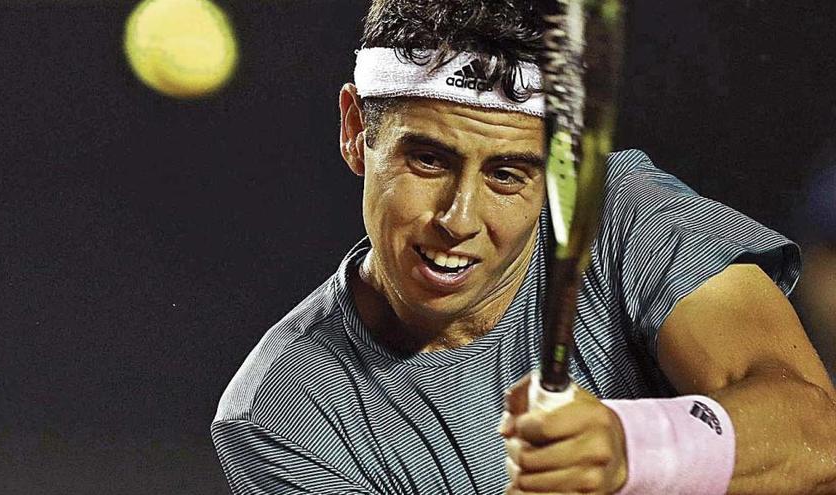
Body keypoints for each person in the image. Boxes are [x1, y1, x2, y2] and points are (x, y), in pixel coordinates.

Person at [212, 2, 836, 494]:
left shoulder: (620, 210)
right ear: (355, 131)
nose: (459, 220)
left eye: (508, 174)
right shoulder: (277, 413)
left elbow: (819, 439)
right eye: (428, 160)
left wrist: (630, 448)